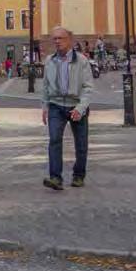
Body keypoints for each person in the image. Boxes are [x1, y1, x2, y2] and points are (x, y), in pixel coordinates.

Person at [42, 27, 94, 190]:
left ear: (70, 40)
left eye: (61, 38)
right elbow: (45, 85)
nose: (57, 41)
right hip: (56, 106)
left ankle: (78, 176)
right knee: (54, 140)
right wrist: (45, 106)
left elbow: (88, 87)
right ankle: (55, 178)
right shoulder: (49, 60)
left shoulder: (81, 61)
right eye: (55, 39)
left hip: (76, 105)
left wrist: (80, 108)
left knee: (81, 143)